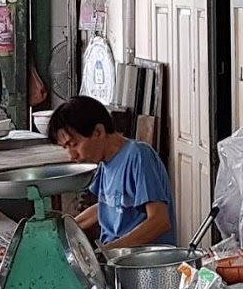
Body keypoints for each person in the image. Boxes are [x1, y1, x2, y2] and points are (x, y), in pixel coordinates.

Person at [47, 95, 175, 248]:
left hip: (143, 263)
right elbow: (106, 207)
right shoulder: (105, 164)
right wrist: (64, 229)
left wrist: (109, 252)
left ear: (98, 131)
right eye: (66, 148)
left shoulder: (139, 156)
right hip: (116, 257)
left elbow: (159, 221)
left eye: (74, 144)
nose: (71, 155)